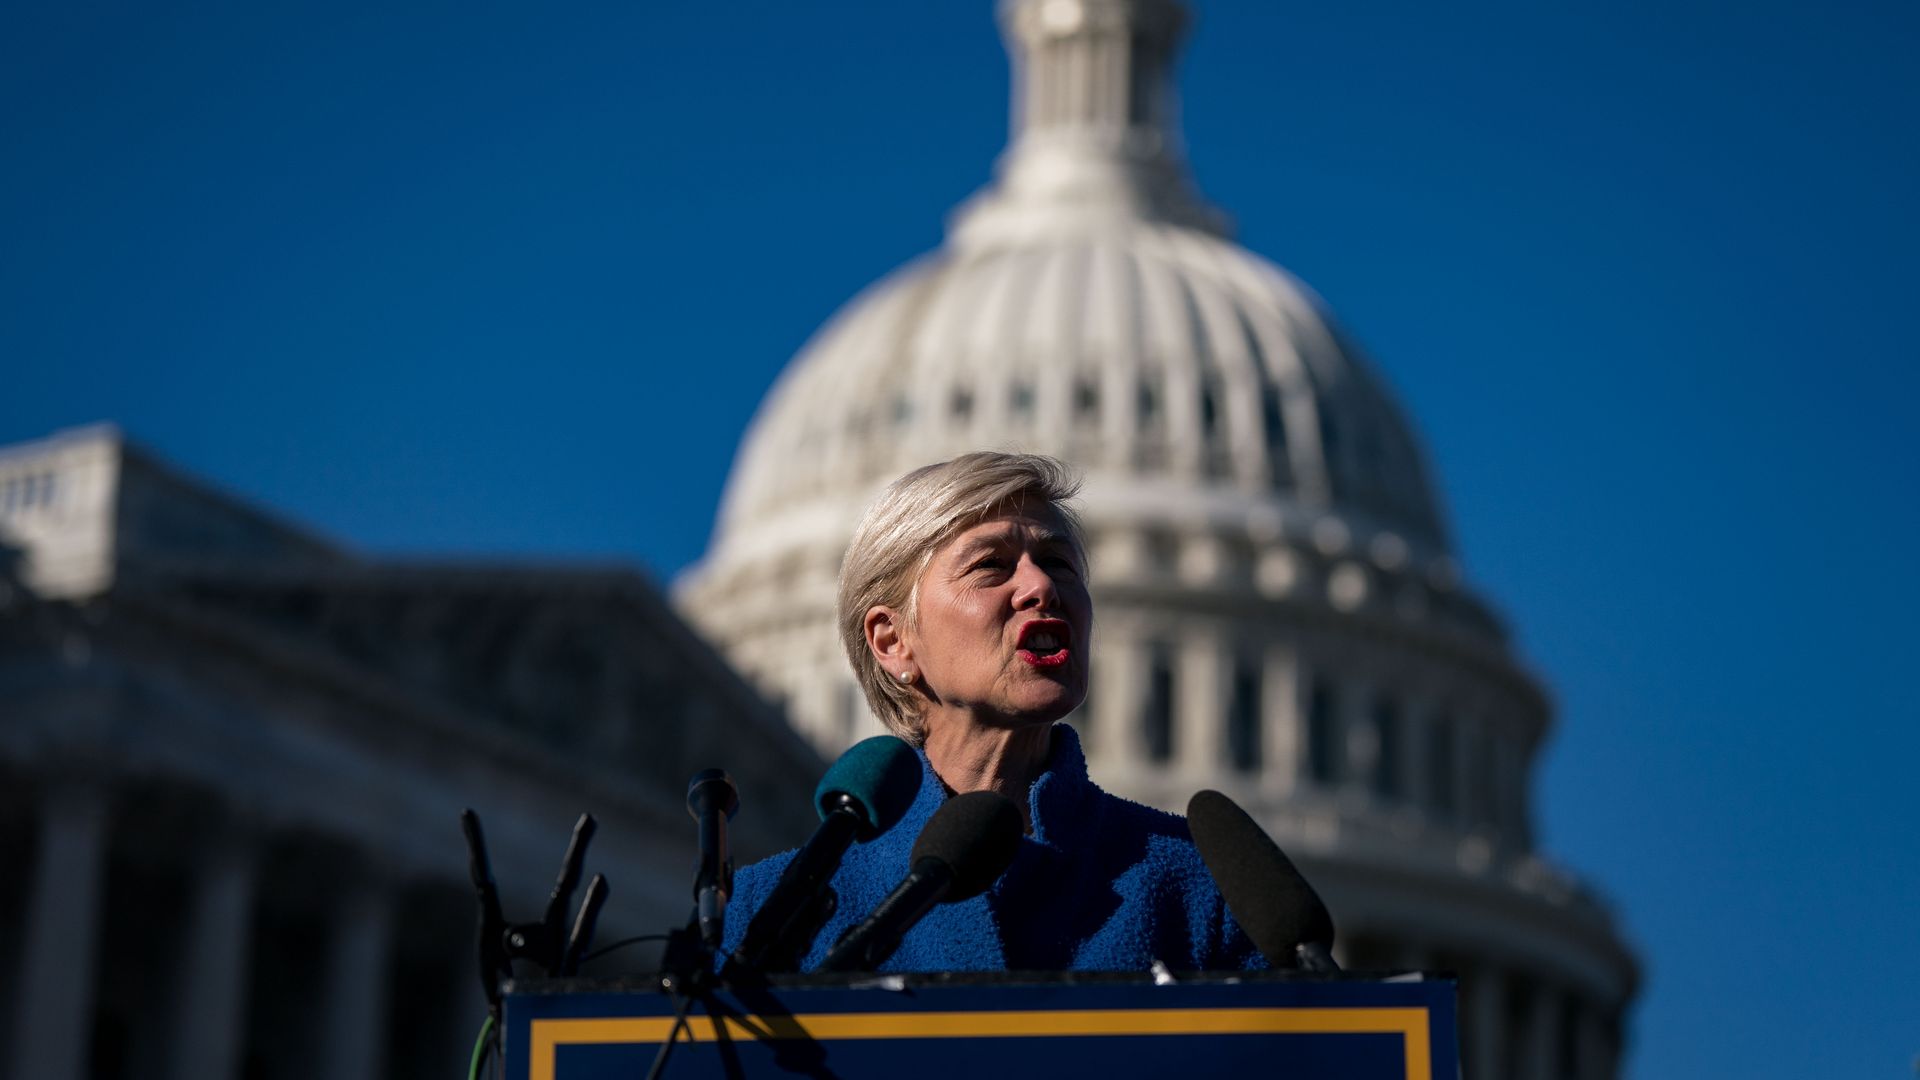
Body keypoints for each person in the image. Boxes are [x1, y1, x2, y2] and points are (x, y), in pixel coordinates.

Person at [721, 452, 1263, 972]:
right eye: (991, 566)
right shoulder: (772, 913)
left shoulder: (1195, 883)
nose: (1041, 587)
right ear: (893, 641)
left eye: (1057, 562)